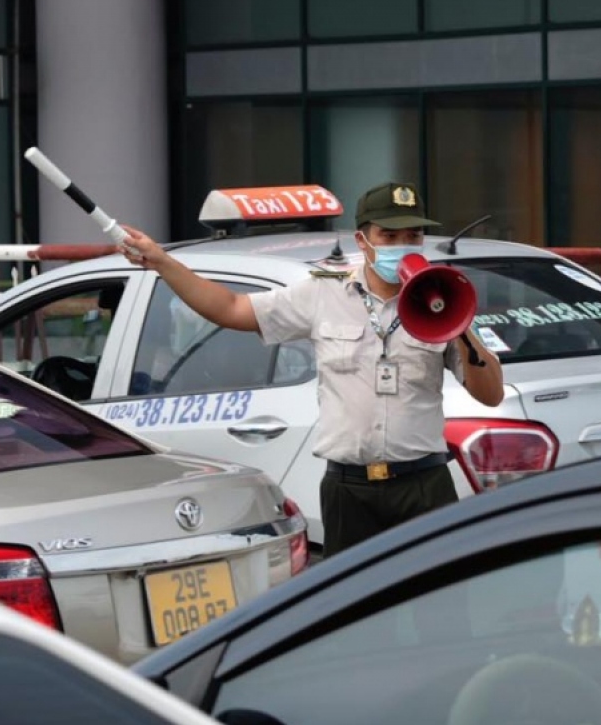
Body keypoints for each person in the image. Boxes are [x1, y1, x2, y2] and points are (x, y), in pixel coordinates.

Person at [119, 181, 506, 556]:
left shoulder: (445, 299)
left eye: (413, 236)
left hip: (423, 484)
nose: (402, 247)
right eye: (389, 237)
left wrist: (458, 324)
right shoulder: (325, 290)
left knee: (437, 606)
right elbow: (233, 309)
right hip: (348, 488)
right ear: (363, 241)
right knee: (350, 611)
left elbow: (491, 395)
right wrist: (163, 263)